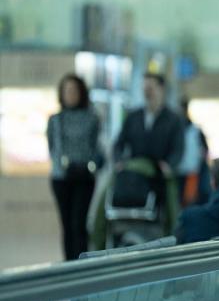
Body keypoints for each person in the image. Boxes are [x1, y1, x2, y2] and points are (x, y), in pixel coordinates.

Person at [46, 74, 103, 260]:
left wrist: (91, 164)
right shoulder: (55, 120)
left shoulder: (92, 118)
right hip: (61, 178)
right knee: (67, 224)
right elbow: (52, 148)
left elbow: (97, 147)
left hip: (85, 177)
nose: (70, 94)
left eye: (74, 90)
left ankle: (82, 265)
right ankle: (68, 264)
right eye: (67, 90)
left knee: (79, 223)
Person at [113, 74, 184, 172]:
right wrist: (118, 161)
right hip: (135, 174)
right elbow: (118, 143)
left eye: (150, 89)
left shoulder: (173, 120)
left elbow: (178, 149)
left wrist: (169, 165)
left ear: (161, 89)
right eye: (145, 89)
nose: (147, 93)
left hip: (160, 177)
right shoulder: (133, 117)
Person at [176, 97, 211, 208]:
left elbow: (205, 150)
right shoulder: (175, 130)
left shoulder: (195, 130)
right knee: (179, 199)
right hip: (177, 171)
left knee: (191, 200)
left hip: (193, 172)